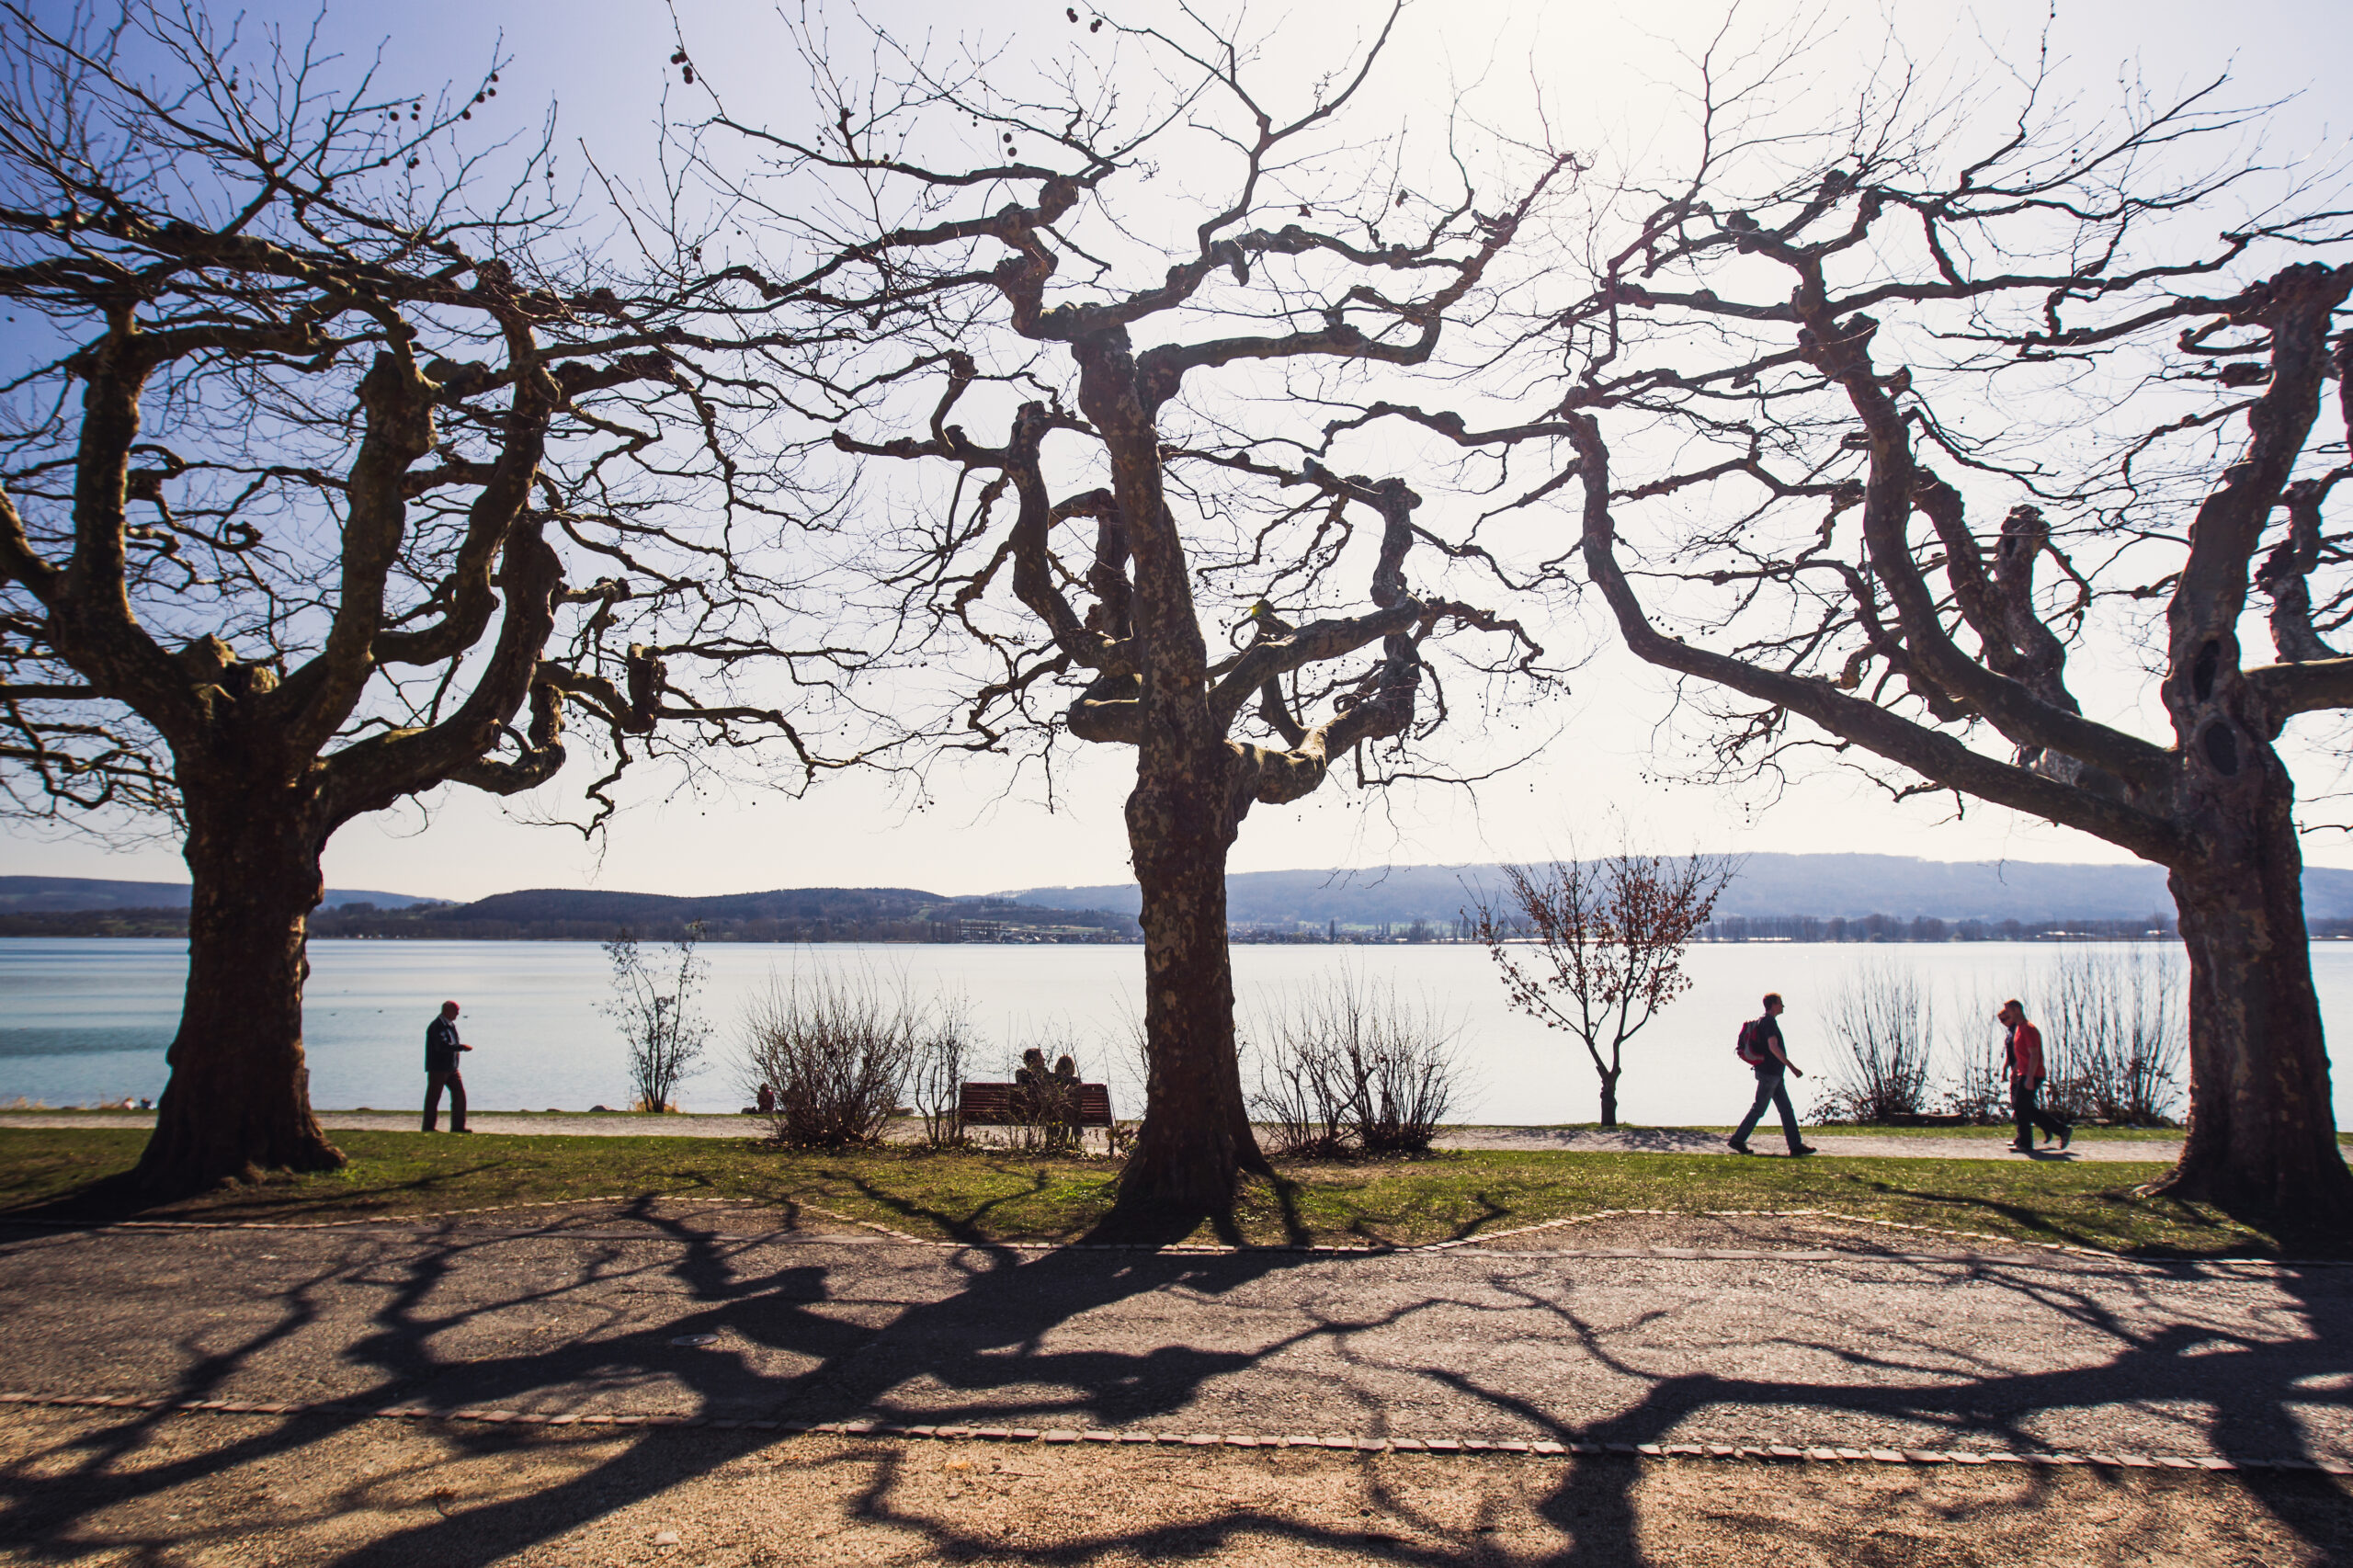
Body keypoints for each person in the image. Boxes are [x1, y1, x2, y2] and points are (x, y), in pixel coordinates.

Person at [1728, 992, 1817, 1156]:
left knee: (1785, 1109)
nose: (1783, 1006)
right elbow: (1773, 1047)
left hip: (1772, 1074)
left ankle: (1795, 1146)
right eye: (1780, 1003)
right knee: (1759, 1109)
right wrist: (1792, 1068)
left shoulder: (1765, 1021)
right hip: (1770, 1074)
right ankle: (1737, 1140)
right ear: (1773, 1005)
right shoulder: (1768, 1022)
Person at [1999, 998, 2071, 1153]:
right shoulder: (2019, 1029)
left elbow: (2034, 1054)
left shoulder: (2029, 1029)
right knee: (2023, 1107)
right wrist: (2015, 1071)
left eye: (2008, 1011)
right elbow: (2021, 1055)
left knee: (2022, 1107)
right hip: (2024, 1073)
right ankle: (2056, 1131)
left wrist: (2030, 1077)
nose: (2007, 1015)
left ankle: (2029, 1141)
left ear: (2016, 1010)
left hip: (2033, 1073)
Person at [423, 999, 472, 1133]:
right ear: (447, 1010)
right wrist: (461, 1047)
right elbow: (441, 1046)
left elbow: (451, 1043)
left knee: (459, 1095)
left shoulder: (450, 1025)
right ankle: (428, 1127)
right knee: (433, 1097)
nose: (458, 1014)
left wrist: (458, 1053)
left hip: (451, 1068)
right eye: (456, 1011)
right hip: (438, 1068)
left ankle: (458, 1126)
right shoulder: (436, 1026)